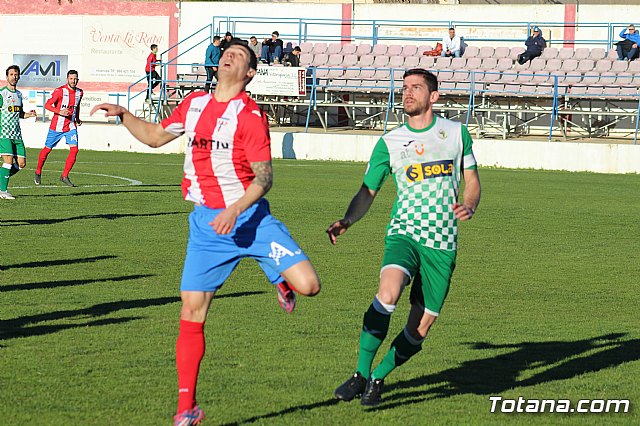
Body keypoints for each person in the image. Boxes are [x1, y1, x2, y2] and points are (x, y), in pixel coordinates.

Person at [90, 40, 322, 425]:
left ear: (249, 73)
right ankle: (187, 409)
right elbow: (155, 137)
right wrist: (124, 114)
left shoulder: (249, 115)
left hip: (251, 220)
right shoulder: (194, 103)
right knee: (192, 311)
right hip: (207, 227)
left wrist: (235, 209)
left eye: (240, 55)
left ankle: (278, 276)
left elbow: (264, 178)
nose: (229, 54)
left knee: (310, 286)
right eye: (227, 51)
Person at [327, 68, 481, 406]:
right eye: (405, 87)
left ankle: (378, 376)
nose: (407, 93)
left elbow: (472, 180)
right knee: (388, 291)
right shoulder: (390, 143)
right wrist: (348, 220)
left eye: (416, 88)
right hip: (405, 232)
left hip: (442, 243)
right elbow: (367, 191)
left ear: (434, 96)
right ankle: (359, 374)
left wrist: (469, 204)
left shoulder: (456, 134)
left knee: (420, 328)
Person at [34, 70, 83, 187]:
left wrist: (77, 118)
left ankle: (64, 176)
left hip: (70, 126)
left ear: (78, 80)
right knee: (47, 150)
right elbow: (47, 105)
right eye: (71, 79)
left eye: (75, 79)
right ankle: (38, 171)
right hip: (56, 127)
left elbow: (77, 106)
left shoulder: (80, 93)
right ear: (67, 79)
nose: (74, 81)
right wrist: (59, 111)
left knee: (74, 150)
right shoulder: (60, 91)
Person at [0, 65, 37, 200]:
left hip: (17, 134)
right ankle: (2, 191)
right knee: (8, 161)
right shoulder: (2, 93)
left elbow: (20, 113)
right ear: (7, 77)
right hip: (4, 133)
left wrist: (29, 114)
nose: (14, 77)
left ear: (19, 77)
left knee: (21, 164)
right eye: (11, 74)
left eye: (16, 74)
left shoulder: (19, 95)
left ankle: (1, 177)